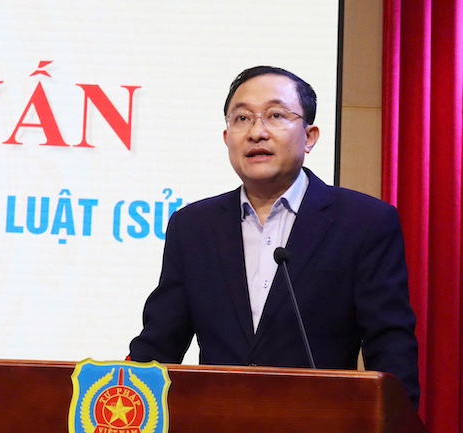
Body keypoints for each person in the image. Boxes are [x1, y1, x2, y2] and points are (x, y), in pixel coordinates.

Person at [128, 65, 420, 408]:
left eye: (275, 115)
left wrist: (396, 418)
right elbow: (159, 343)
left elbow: (390, 346)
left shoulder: (364, 223)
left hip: (318, 420)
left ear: (309, 137)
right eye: (242, 118)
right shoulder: (192, 227)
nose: (256, 132)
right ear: (227, 138)